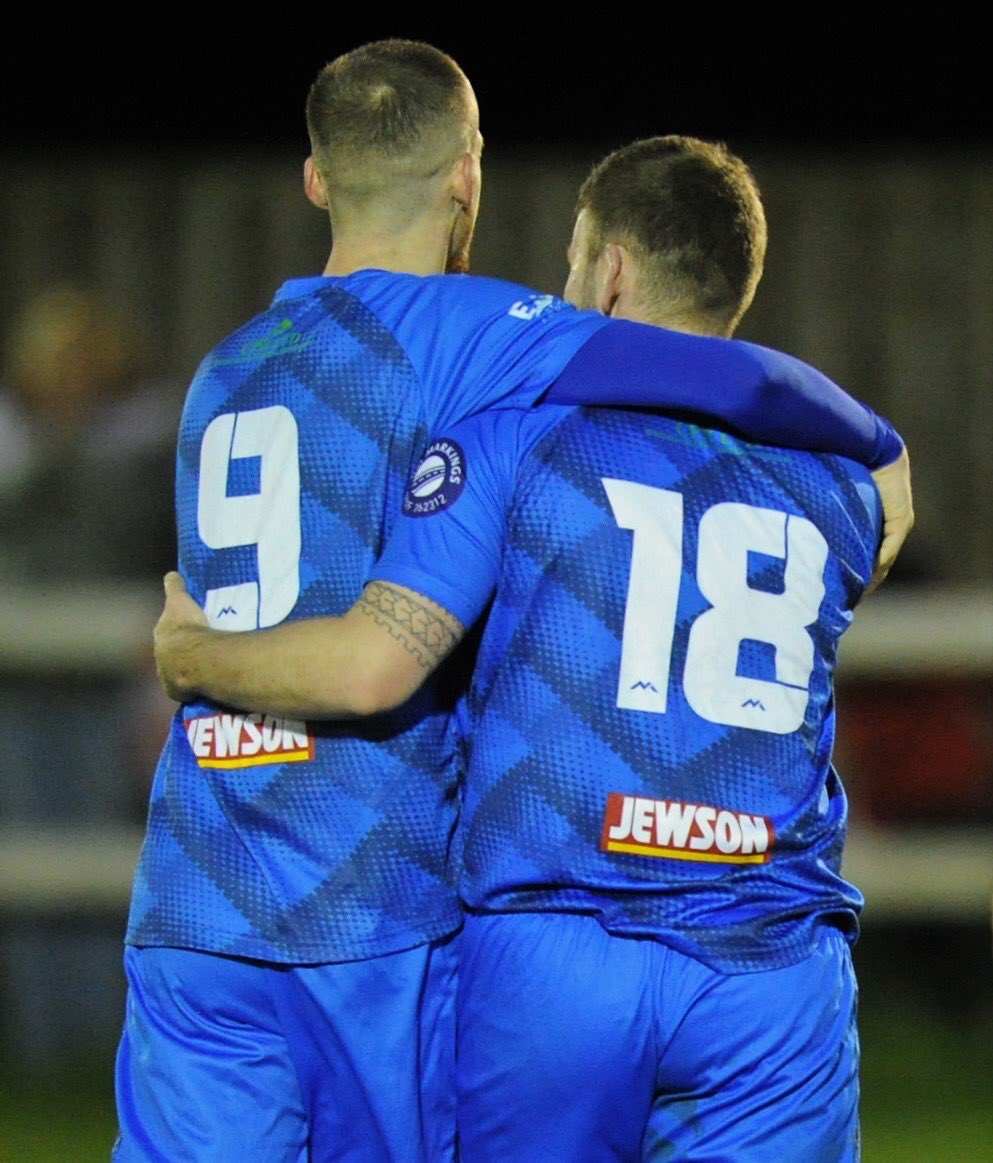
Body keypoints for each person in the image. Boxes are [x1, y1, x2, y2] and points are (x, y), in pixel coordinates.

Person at [127, 38, 912, 1163]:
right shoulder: (480, 341)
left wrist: (195, 658)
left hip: (200, 882)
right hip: (373, 900)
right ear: (468, 176)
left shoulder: (224, 368)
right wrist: (874, 443)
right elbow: (703, 370)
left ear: (314, 178)